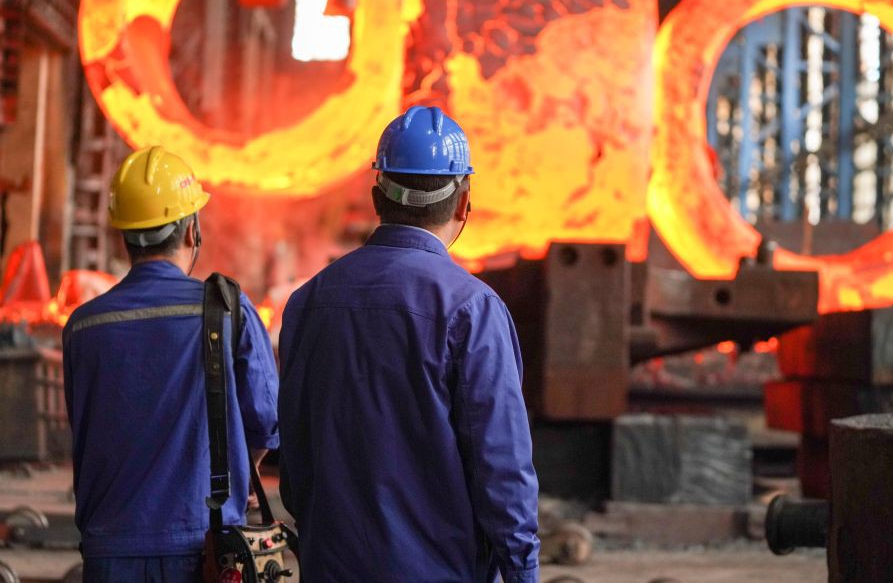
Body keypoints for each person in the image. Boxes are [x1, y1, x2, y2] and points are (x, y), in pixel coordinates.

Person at [279, 105, 540, 582]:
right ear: (464, 203)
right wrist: (522, 571)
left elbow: (294, 458)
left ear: (378, 195)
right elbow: (501, 469)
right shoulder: (472, 309)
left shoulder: (307, 302)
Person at [63, 146, 279, 582]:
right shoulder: (226, 309)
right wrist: (242, 467)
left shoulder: (83, 327)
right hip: (203, 550)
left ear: (121, 236)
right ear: (191, 231)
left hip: (110, 551)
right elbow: (265, 420)